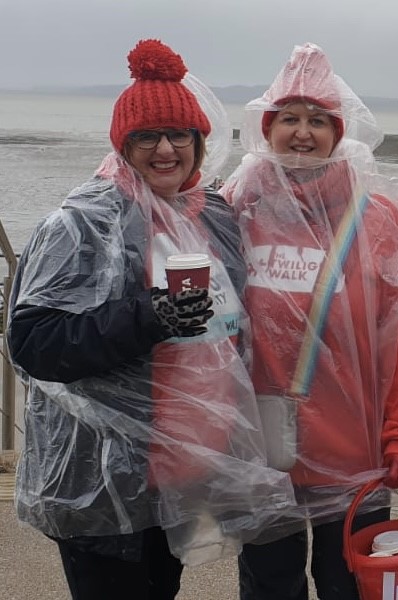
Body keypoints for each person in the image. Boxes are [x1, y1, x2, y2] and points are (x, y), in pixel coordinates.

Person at [6, 39, 292, 600]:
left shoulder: (212, 214)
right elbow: (33, 343)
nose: (165, 149)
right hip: (100, 477)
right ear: (122, 143)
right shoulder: (82, 224)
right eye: (146, 136)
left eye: (179, 135)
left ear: (199, 143)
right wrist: (148, 314)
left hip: (179, 475)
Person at [219, 43, 398, 600]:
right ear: (266, 129)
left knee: (351, 587)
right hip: (264, 457)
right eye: (288, 118)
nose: (302, 132)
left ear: (341, 133)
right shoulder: (234, 209)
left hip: (358, 459)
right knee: (270, 587)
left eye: (318, 120)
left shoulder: (380, 220)